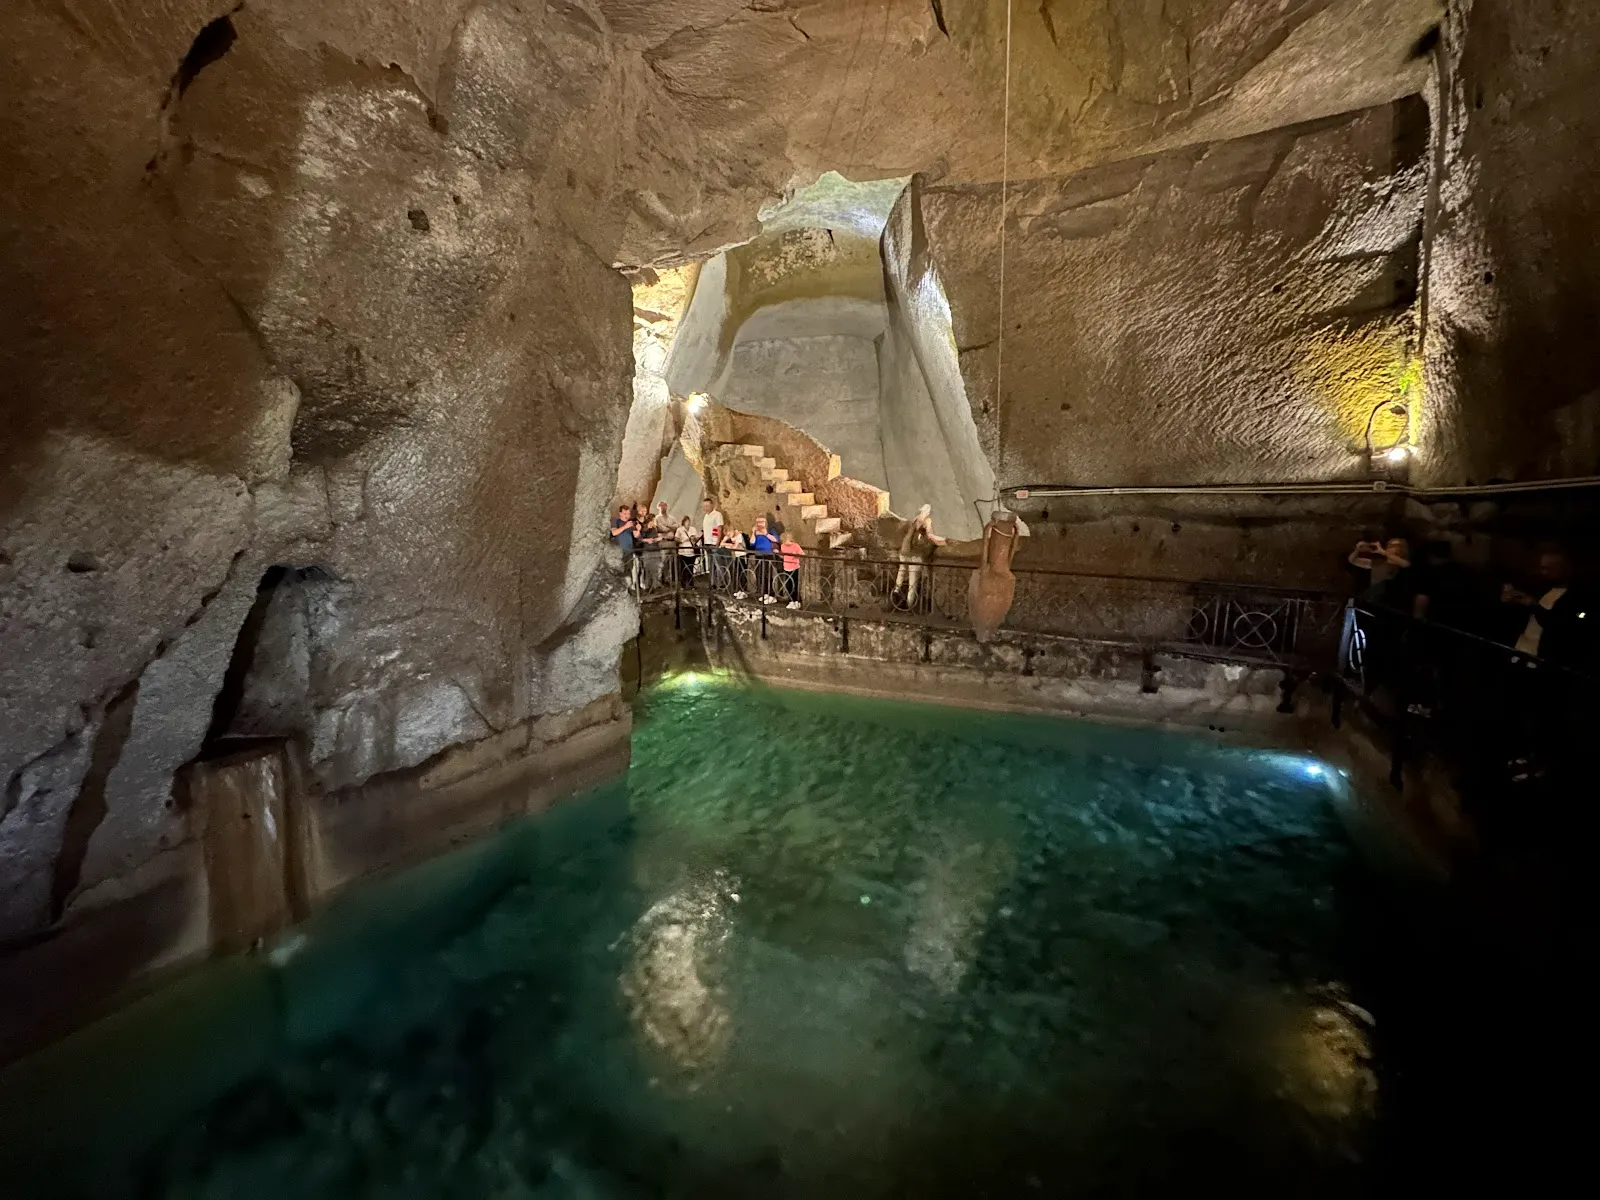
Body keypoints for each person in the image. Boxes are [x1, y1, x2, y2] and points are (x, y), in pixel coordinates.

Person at [895, 504, 946, 610]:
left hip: (904, 550)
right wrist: (943, 541)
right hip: (915, 553)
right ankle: (910, 607)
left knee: (902, 571)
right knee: (912, 584)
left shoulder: (914, 520)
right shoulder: (926, 520)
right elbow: (929, 536)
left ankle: (895, 593)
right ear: (928, 512)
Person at [749, 516, 778, 603]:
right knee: (760, 574)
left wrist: (766, 534)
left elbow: (776, 539)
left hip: (768, 555)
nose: (759, 524)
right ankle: (764, 593)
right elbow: (752, 543)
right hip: (758, 555)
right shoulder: (756, 532)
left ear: (765, 523)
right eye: (758, 522)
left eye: (761, 522)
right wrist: (753, 532)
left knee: (768, 575)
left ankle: (771, 594)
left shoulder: (770, 530)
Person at [609, 504, 638, 581]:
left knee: (629, 571)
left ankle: (630, 588)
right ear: (620, 513)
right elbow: (614, 533)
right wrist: (625, 527)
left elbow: (636, 536)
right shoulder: (615, 520)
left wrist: (638, 529)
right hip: (619, 552)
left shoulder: (630, 523)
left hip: (629, 551)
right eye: (625, 513)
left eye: (628, 514)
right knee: (620, 572)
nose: (627, 516)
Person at [701, 497, 725, 588]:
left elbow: (719, 529)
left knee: (718, 563)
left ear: (712, 505)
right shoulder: (706, 516)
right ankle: (712, 583)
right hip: (707, 543)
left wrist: (717, 542)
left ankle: (721, 583)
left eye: (707, 506)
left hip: (714, 542)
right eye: (704, 506)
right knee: (711, 564)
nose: (706, 508)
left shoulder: (717, 515)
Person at [777, 530, 805, 608]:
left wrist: (795, 556)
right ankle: (791, 600)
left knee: (795, 584)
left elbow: (802, 554)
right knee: (788, 585)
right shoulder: (783, 546)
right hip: (786, 567)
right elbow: (783, 555)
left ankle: (796, 601)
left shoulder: (795, 546)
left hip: (794, 567)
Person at [721, 526, 748, 596]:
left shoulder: (739, 535)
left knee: (743, 573)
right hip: (736, 556)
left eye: (729, 534)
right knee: (737, 573)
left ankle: (743, 591)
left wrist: (728, 545)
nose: (729, 536)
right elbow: (721, 544)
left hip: (742, 556)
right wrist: (728, 542)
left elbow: (735, 547)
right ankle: (738, 589)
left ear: (731, 531)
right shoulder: (730, 536)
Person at [674, 515, 699, 588]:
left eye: (689, 521)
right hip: (683, 551)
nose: (688, 523)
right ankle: (683, 584)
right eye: (686, 522)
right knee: (683, 569)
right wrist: (682, 540)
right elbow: (676, 539)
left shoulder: (693, 529)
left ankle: (691, 584)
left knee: (690, 568)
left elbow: (696, 538)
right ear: (683, 522)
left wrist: (694, 539)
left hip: (691, 551)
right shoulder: (680, 530)